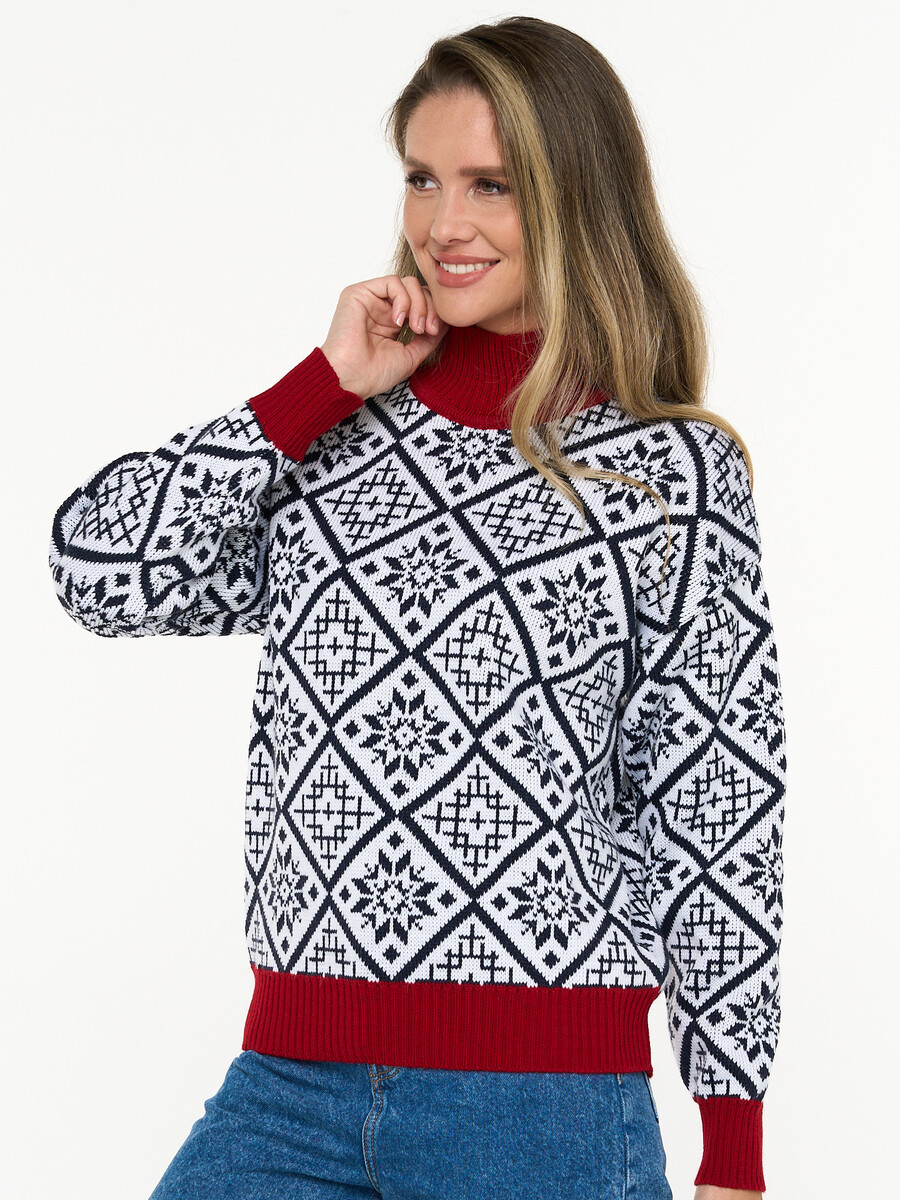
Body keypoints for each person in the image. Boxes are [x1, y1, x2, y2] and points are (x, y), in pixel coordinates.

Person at [48, 15, 785, 1200]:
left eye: (493, 184)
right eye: (423, 178)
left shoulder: (668, 475)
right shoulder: (336, 439)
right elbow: (95, 569)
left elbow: (718, 799)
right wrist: (321, 386)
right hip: (289, 1083)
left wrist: (732, 1143)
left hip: (541, 1108)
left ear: (576, 195)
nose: (445, 223)